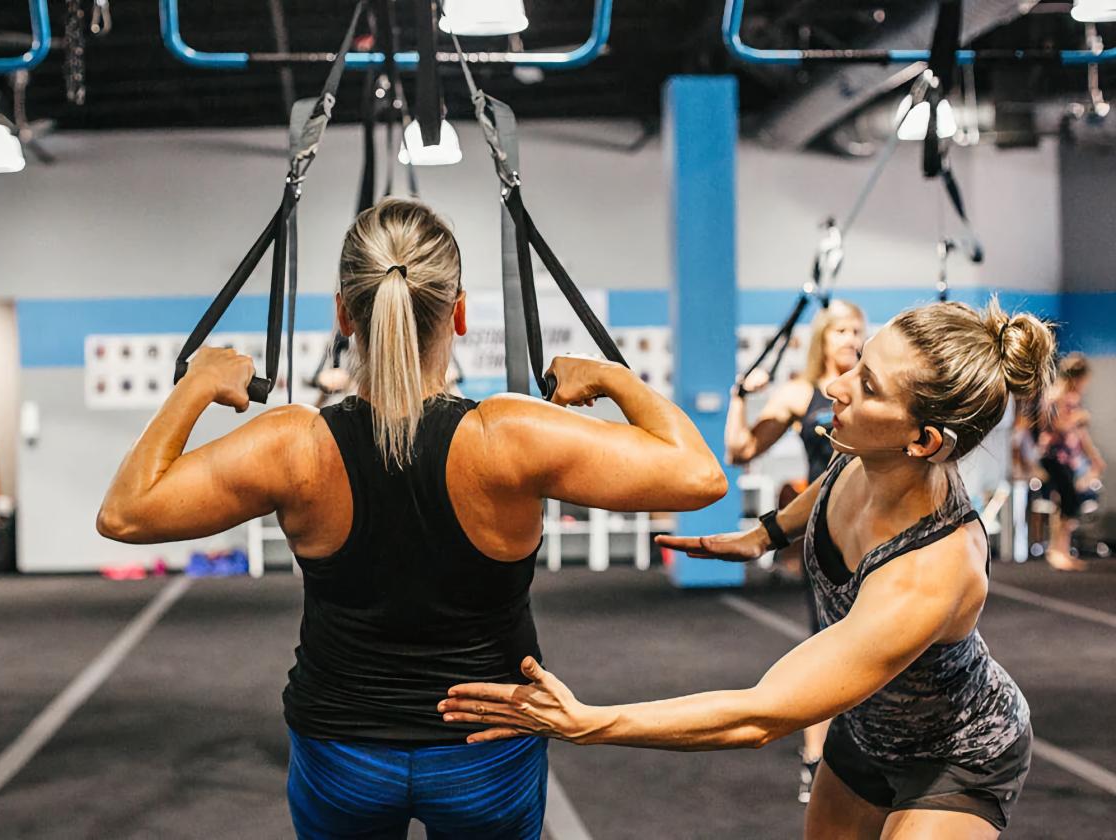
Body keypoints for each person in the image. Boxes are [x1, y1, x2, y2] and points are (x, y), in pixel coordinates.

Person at [97, 197, 727, 838]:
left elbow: (125, 513)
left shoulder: (295, 443)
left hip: (342, 751)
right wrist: (616, 378)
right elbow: (701, 475)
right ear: (458, 314)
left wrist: (196, 384)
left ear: (344, 312)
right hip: (486, 744)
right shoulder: (507, 435)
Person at [441, 299, 1053, 839]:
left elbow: (763, 714)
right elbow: (828, 487)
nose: (837, 386)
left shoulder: (933, 571)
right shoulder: (868, 459)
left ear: (922, 441)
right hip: (867, 731)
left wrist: (592, 723)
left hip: (957, 751)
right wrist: (762, 535)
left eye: (867, 386)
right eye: (856, 362)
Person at [725, 298, 866, 802]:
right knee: (827, 648)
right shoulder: (802, 393)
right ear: (822, 339)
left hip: (878, 535)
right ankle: (815, 757)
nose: (851, 339)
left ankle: (875, 755)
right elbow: (740, 450)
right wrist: (739, 396)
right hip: (826, 534)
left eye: (857, 330)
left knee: (877, 646)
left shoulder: (874, 392)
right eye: (841, 331)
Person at [1035, 354, 1104, 571]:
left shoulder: (1073, 399)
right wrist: (1078, 418)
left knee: (1066, 503)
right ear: (1076, 377)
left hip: (1070, 459)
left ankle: (1061, 550)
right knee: (1067, 502)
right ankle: (1057, 551)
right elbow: (1054, 426)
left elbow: (1081, 436)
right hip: (1054, 457)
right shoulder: (1055, 396)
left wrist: (1094, 458)